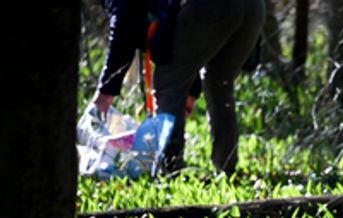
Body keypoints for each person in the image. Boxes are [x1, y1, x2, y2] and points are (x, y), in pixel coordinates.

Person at [93, 0, 265, 175]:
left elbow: (124, 24)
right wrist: (191, 91)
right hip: (254, 8)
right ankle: (226, 169)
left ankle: (169, 168)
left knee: (168, 83)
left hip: (212, 7)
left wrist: (106, 89)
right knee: (220, 84)